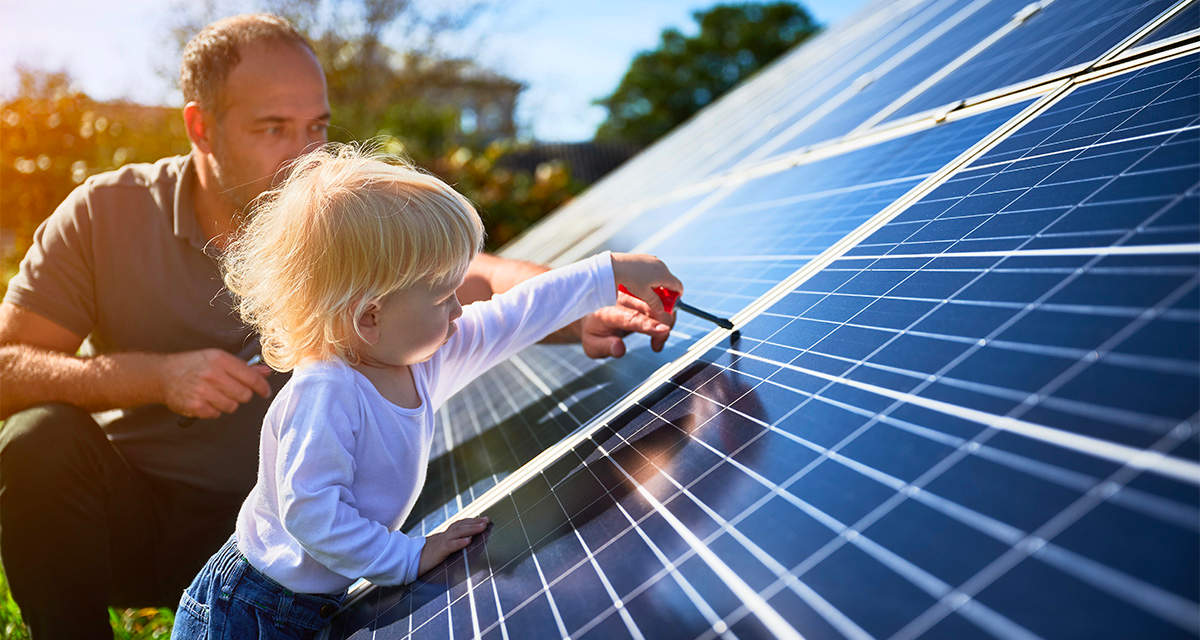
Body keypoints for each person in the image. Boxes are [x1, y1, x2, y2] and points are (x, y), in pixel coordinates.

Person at [0, 14, 673, 640]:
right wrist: (156, 376)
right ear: (201, 127)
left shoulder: (357, 251)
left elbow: (486, 291)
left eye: (317, 127)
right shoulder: (105, 216)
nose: (303, 156)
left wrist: (594, 294)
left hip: (311, 531)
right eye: (273, 128)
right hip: (207, 537)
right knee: (36, 442)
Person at [169, 144, 681, 639]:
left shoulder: (419, 358)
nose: (459, 309)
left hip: (304, 600)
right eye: (442, 296)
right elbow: (311, 513)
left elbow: (514, 315)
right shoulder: (326, 393)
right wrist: (406, 557)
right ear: (370, 316)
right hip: (248, 612)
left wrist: (608, 272)